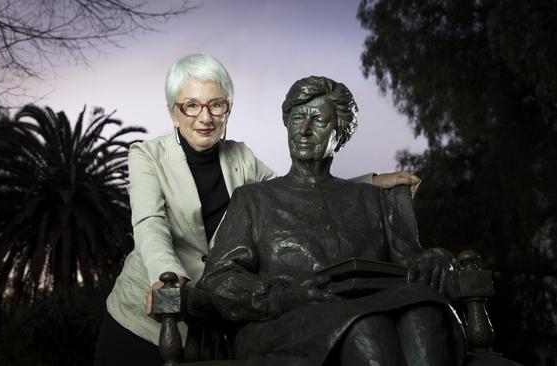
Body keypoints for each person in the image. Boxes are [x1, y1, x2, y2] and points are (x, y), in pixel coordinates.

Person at [93, 55, 421, 366]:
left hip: (211, 316)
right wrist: (167, 276)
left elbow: (293, 192)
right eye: (191, 106)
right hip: (147, 311)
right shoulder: (147, 155)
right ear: (173, 112)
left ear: (228, 109)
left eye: (216, 105)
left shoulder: (242, 157)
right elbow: (150, 224)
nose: (204, 118)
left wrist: (369, 184)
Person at [197, 76, 464, 366]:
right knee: (365, 326)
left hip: (370, 307)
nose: (305, 130)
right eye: (298, 118)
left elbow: (411, 258)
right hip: (283, 322)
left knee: (423, 314)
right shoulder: (253, 199)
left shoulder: (371, 199)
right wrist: (282, 297)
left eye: (319, 121)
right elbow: (219, 278)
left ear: (342, 132)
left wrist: (437, 259)